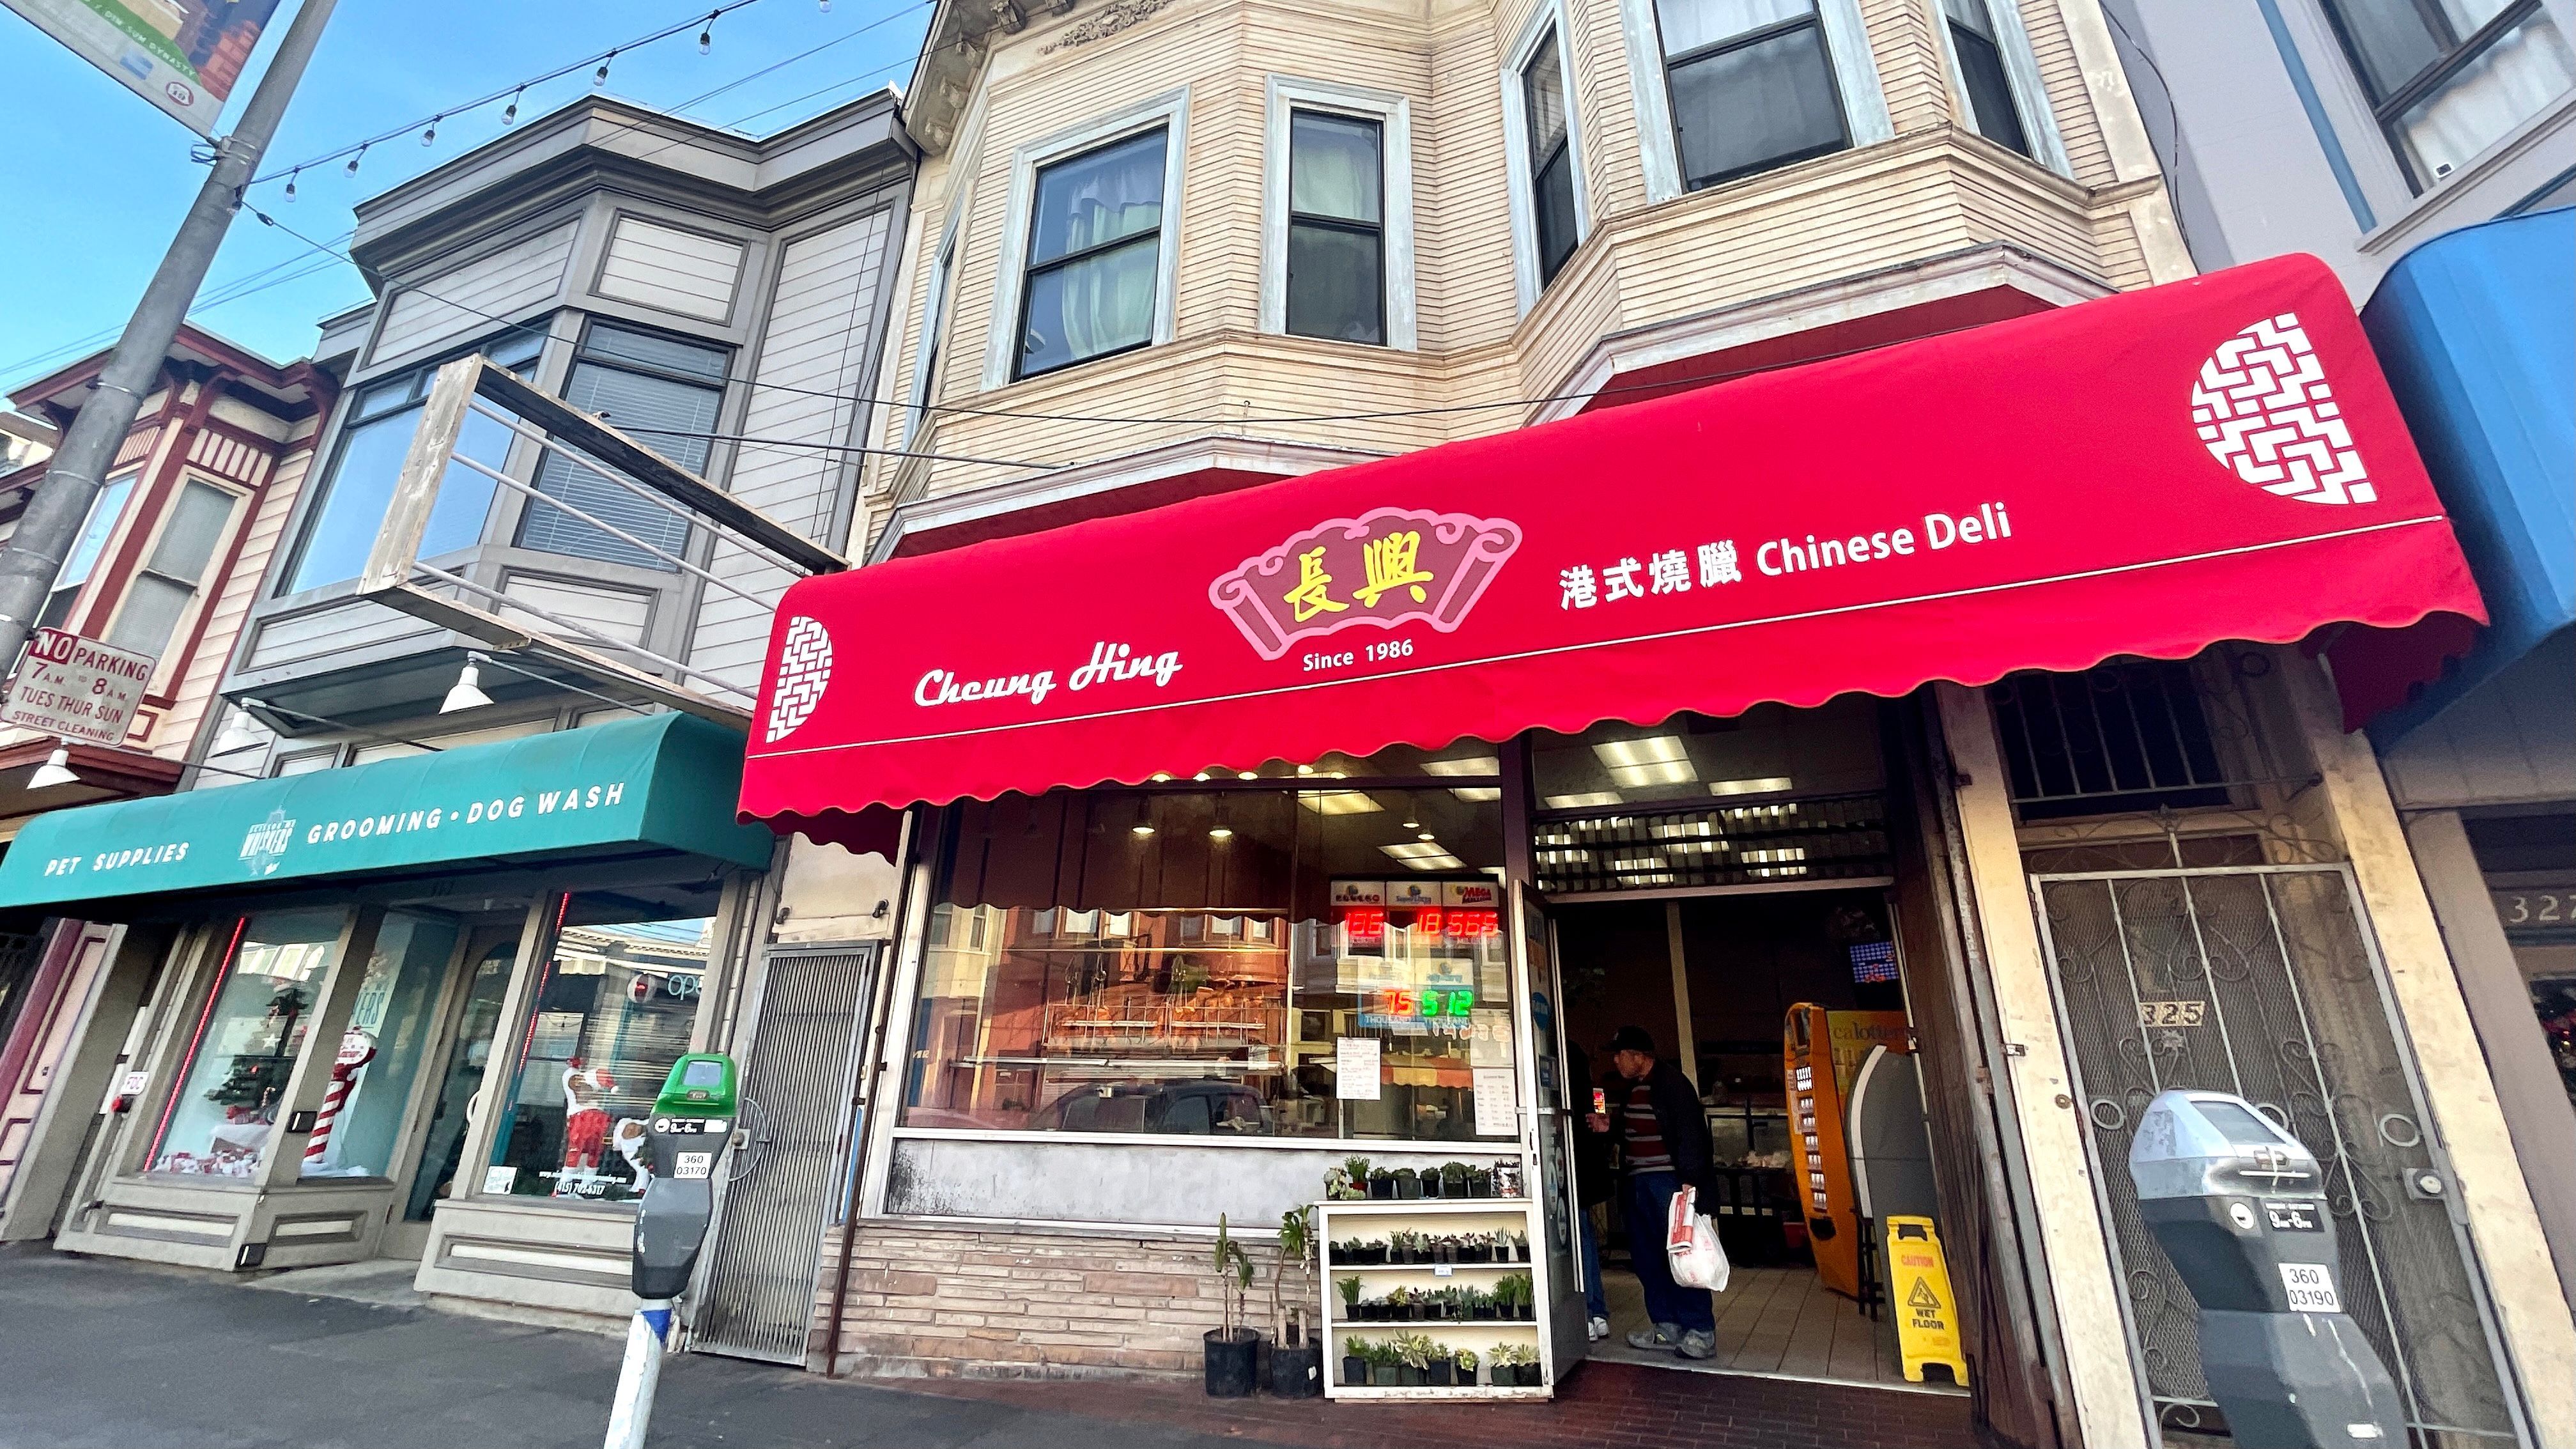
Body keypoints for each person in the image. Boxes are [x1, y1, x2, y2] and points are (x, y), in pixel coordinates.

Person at [1605, 1025, 1718, 1358]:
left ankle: (1701, 1330)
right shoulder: (1633, 1089)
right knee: (1647, 1258)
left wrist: (1690, 1180)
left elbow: (1693, 1134)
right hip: (1638, 1184)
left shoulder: (1673, 1085)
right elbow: (1632, 1131)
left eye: (1620, 1054)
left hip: (1669, 1184)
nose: (1616, 1061)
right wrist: (1608, 1126)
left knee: (1682, 1256)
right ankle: (1666, 1327)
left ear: (1639, 1057)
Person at [1568, 1041, 1614, 1342]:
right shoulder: (1596, 1094)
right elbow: (1604, 1124)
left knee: (1577, 1241)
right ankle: (1597, 1313)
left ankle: (1586, 1313)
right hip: (1589, 1175)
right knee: (1586, 1240)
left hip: (1572, 1175)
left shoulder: (1560, 1100)